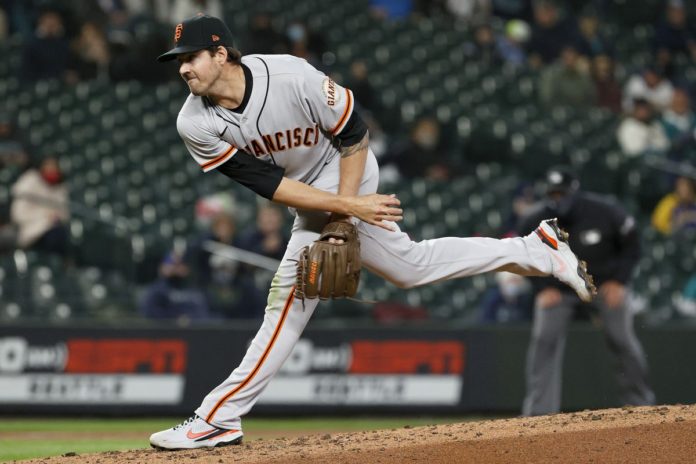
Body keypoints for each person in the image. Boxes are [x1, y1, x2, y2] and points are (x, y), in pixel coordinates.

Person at [149, 14, 595, 450]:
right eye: (178, 61)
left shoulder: (289, 75)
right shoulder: (195, 123)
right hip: (313, 192)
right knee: (410, 267)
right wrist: (343, 212)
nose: (183, 68)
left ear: (221, 53)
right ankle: (538, 249)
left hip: (348, 168)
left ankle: (218, 417)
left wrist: (346, 210)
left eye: (191, 57)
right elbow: (269, 185)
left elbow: (355, 135)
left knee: (290, 295)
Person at [517, 167, 655, 417]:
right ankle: (538, 416)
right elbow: (522, 258)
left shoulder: (606, 211)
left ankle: (641, 406)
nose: (558, 199)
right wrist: (542, 288)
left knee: (622, 339)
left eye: (562, 193)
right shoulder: (534, 220)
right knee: (543, 339)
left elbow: (632, 245)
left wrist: (620, 282)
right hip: (560, 290)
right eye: (553, 194)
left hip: (604, 286)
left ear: (575, 192)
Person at [10, 156, 70, 257]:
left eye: (54, 166)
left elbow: (65, 215)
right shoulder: (30, 182)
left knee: (60, 234)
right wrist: (45, 217)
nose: (51, 169)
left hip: (54, 230)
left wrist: (54, 218)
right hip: (31, 232)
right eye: (48, 165)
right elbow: (17, 215)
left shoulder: (60, 187)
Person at [139, 251, 211, 322]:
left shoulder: (196, 290)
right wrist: (176, 319)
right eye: (172, 263)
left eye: (180, 263)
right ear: (162, 267)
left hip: (196, 331)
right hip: (167, 332)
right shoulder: (155, 291)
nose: (176, 268)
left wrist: (189, 320)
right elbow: (150, 314)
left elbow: (204, 315)